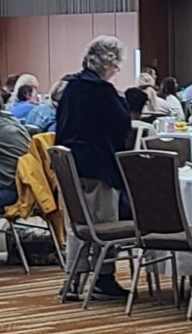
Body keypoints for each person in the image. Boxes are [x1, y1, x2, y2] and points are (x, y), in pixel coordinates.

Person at [53, 35, 136, 303]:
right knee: (104, 222)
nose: (115, 72)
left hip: (69, 167)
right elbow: (122, 123)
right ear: (107, 64)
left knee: (77, 225)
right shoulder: (102, 91)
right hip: (97, 166)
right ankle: (104, 278)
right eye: (116, 67)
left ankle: (73, 279)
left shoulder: (71, 88)